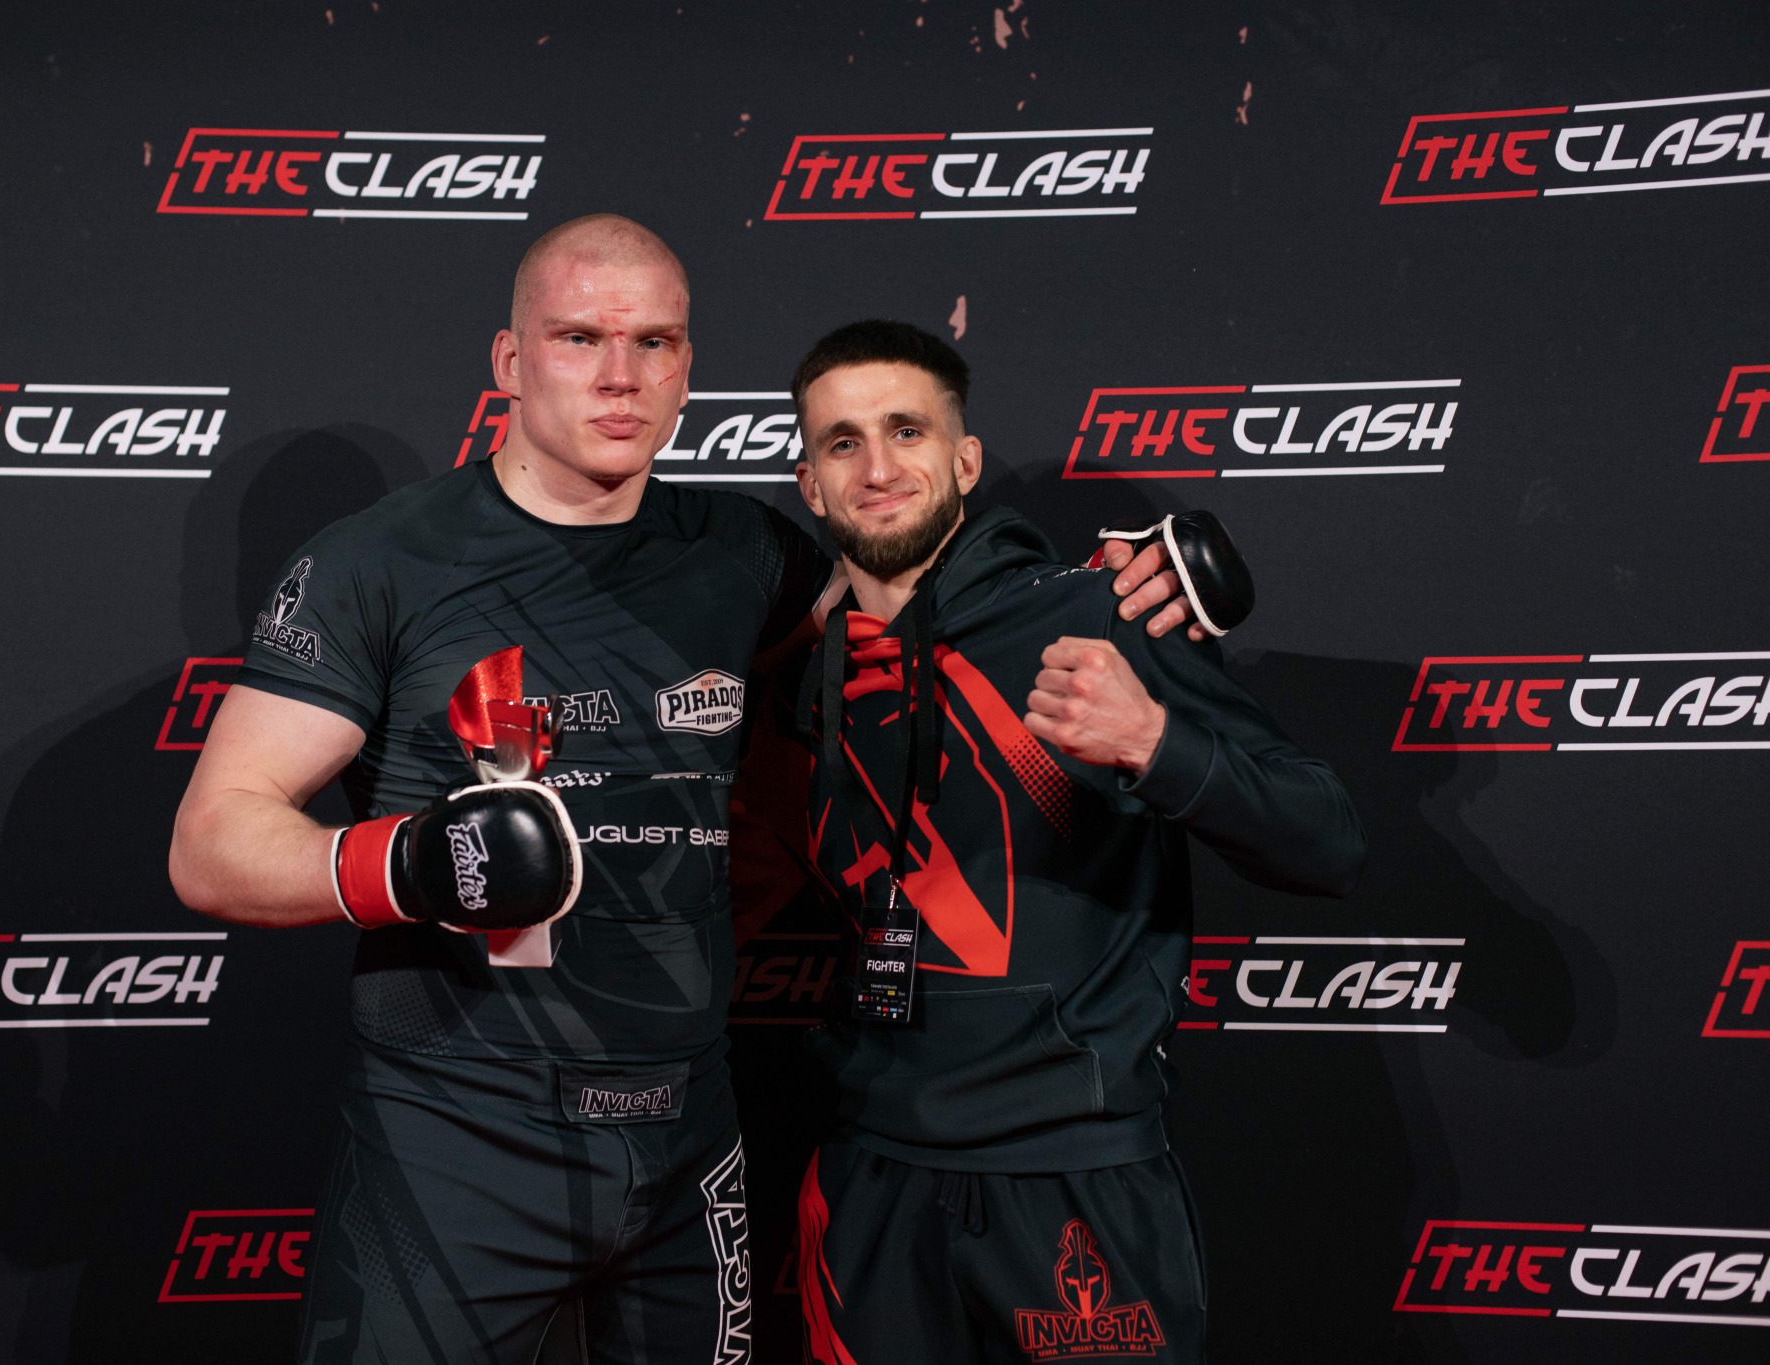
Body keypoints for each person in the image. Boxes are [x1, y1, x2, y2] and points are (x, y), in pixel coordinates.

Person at [167, 216, 1211, 1365]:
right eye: (578, 338)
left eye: (653, 343)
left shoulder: (742, 551)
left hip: (684, 1135)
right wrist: (412, 864)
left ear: (685, 369)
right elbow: (213, 841)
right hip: (454, 1135)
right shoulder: (380, 563)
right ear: (509, 361)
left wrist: (1111, 593)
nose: (619, 376)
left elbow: (925, 621)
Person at [783, 321, 1366, 1365]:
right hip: (870, 1177)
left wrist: (1154, 742)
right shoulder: (812, 677)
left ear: (964, 460)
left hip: (1071, 1178)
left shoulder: (1101, 613)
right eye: (842, 442)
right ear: (809, 485)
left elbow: (1327, 843)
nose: (876, 468)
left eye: (907, 431)